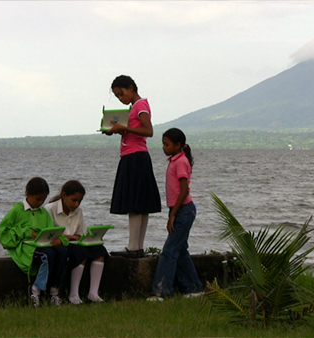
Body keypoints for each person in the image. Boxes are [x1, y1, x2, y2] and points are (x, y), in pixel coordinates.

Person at [103, 75, 161, 258]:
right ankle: (138, 246)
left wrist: (125, 128)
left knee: (135, 204)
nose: (121, 98)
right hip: (137, 156)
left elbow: (148, 131)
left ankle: (133, 246)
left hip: (134, 156)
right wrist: (118, 130)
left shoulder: (140, 106)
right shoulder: (135, 108)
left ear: (131, 88)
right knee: (140, 204)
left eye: (121, 94)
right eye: (117, 96)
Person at [147, 128, 203, 301]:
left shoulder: (180, 162)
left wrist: (173, 215)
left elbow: (184, 190)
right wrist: (172, 213)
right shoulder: (174, 160)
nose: (164, 147)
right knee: (181, 250)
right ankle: (193, 288)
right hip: (178, 210)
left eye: (167, 144)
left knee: (169, 251)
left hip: (183, 211)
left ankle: (161, 290)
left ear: (178, 145)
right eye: (163, 144)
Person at [0, 177, 68, 308]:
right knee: (47, 256)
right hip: (26, 247)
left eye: (43, 199)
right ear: (28, 194)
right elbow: (3, 233)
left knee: (62, 252)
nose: (40, 203)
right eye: (37, 199)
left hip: (43, 244)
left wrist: (60, 240)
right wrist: (26, 232)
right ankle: (35, 291)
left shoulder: (43, 213)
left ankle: (54, 291)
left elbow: (52, 230)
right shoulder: (17, 210)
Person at [45, 180, 108, 304]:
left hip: (75, 242)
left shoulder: (78, 211)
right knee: (80, 253)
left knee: (100, 250)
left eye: (79, 201)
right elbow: (48, 234)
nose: (77, 204)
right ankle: (74, 294)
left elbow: (81, 232)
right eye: (74, 200)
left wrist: (90, 238)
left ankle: (93, 293)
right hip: (60, 244)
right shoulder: (50, 209)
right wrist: (67, 237)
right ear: (64, 196)